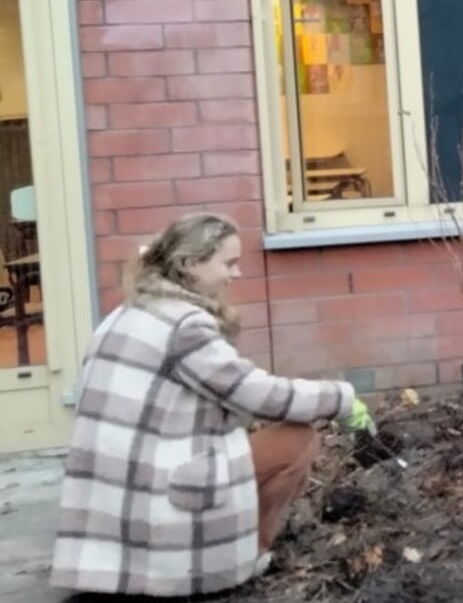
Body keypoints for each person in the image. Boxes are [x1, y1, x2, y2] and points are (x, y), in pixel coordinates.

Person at [51, 213, 366, 598]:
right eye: (228, 263)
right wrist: (341, 398)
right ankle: (249, 555)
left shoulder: (126, 313)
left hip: (116, 501)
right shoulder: (184, 326)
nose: (237, 274)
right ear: (188, 264)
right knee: (296, 440)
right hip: (164, 497)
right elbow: (258, 394)